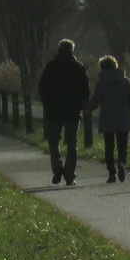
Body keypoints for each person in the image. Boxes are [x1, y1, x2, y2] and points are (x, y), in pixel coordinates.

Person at [38, 39, 90, 186]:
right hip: (73, 110)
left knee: (53, 141)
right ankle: (69, 175)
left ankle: (57, 169)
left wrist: (47, 104)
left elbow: (42, 87)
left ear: (58, 50)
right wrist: (82, 103)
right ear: (72, 50)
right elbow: (85, 90)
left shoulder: (51, 67)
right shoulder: (78, 67)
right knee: (72, 143)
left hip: (54, 110)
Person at [87, 55, 130, 183]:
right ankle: (121, 162)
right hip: (122, 116)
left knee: (109, 146)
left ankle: (111, 172)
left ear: (102, 68)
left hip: (107, 118)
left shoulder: (101, 84)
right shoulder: (125, 82)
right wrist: (129, 112)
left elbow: (94, 103)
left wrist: (82, 105)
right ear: (116, 66)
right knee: (122, 145)